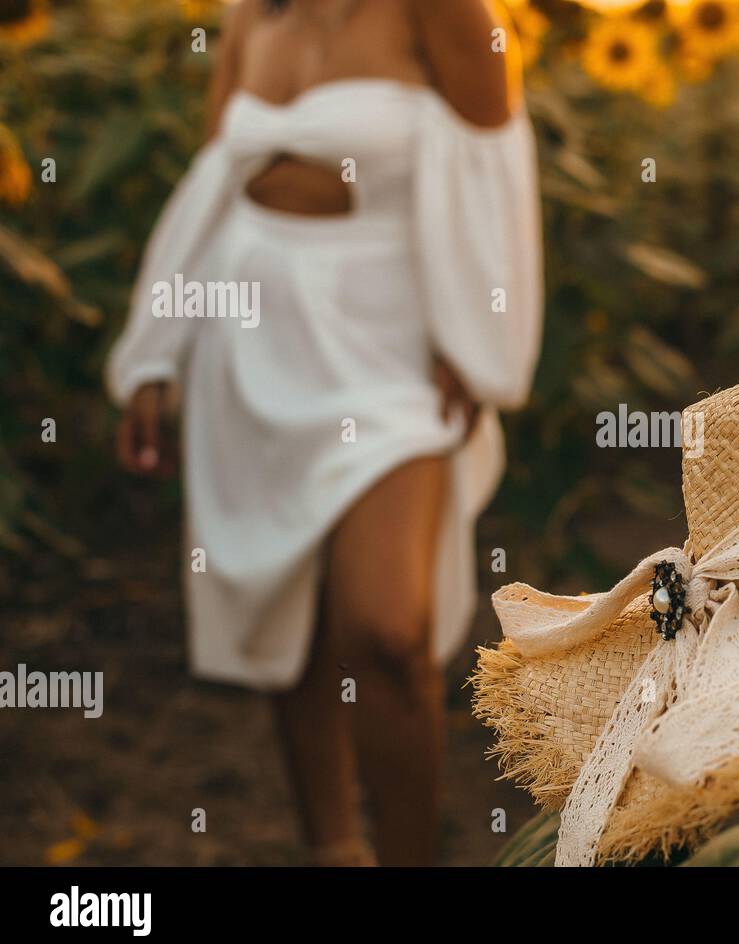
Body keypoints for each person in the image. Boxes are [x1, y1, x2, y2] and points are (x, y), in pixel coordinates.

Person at [105, 0, 543, 866]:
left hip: (391, 339)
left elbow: (498, 161)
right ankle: (334, 848)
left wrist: (479, 339)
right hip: (251, 328)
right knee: (287, 605)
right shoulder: (248, 17)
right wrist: (155, 349)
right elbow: (212, 183)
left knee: (386, 634)